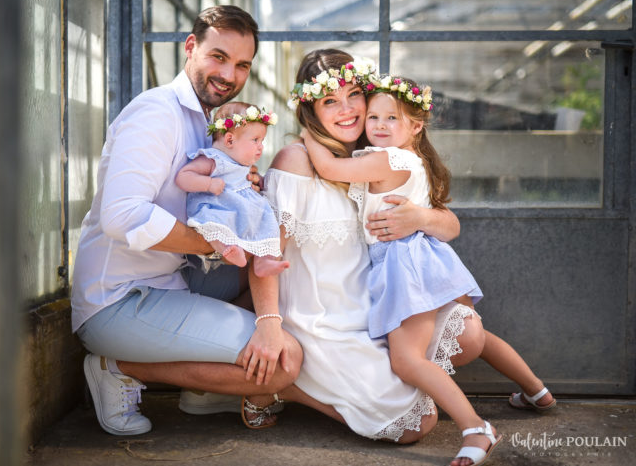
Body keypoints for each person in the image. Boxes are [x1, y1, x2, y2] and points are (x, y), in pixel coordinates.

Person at [301, 73, 556, 466]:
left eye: (392, 118)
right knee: (479, 335)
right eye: (374, 117)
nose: (379, 125)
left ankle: (475, 427)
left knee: (407, 360)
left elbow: (328, 168)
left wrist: (307, 133)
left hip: (401, 263)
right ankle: (537, 391)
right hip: (423, 258)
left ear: (416, 126)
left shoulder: (389, 158)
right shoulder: (407, 158)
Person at [70, 5, 302, 436]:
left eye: (242, 65)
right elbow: (122, 215)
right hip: (121, 299)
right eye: (219, 56)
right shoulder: (157, 113)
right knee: (283, 361)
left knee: (275, 277)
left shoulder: (207, 121)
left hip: (177, 278)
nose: (229, 75)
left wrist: (240, 186)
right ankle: (116, 367)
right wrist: (215, 244)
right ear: (191, 47)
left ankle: (201, 392)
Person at [257, 50, 485, 449]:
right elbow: (266, 254)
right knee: (418, 424)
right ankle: (283, 388)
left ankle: (381, 379)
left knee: (468, 333)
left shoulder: (376, 151)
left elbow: (451, 224)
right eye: (330, 101)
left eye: (353, 96)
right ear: (310, 109)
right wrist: (269, 325)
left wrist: (419, 217)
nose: (347, 110)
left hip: (373, 307)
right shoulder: (296, 160)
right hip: (321, 319)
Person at [176, 102, 289, 278]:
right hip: (217, 206)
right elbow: (183, 176)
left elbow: (247, 180)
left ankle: (263, 261)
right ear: (229, 140)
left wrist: (259, 181)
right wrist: (208, 184)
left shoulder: (242, 163)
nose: (261, 146)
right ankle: (227, 249)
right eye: (255, 140)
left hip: (242, 208)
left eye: (262, 141)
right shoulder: (214, 159)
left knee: (268, 219)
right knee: (215, 224)